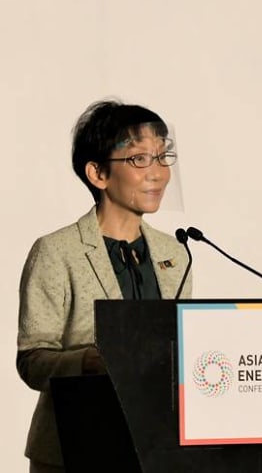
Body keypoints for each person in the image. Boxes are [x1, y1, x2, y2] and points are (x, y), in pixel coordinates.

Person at [16, 100, 192, 472]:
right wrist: (90, 361)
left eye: (163, 157)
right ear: (97, 173)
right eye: (139, 159)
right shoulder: (56, 251)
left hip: (155, 447)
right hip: (73, 448)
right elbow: (31, 361)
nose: (158, 173)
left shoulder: (174, 253)